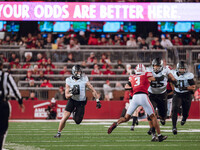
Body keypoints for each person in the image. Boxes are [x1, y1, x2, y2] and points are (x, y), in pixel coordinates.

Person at [107, 64, 168, 142]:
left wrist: (134, 87)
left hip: (134, 98)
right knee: (153, 116)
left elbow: (126, 87)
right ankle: (159, 136)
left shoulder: (132, 77)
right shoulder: (146, 74)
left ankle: (116, 123)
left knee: (126, 118)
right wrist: (162, 76)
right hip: (143, 96)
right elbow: (155, 79)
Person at [54, 65, 101, 138]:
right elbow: (66, 95)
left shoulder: (84, 79)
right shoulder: (69, 80)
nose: (79, 73)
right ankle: (58, 132)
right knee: (65, 116)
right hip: (72, 100)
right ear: (74, 72)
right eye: (77, 71)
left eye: (80, 71)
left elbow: (92, 89)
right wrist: (72, 93)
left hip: (81, 102)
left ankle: (74, 113)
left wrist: (97, 100)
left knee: (78, 121)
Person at [146, 58, 176, 139]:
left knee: (163, 115)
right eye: (154, 66)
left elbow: (172, 78)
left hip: (162, 95)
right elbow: (147, 78)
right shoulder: (148, 70)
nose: (156, 68)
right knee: (150, 114)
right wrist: (158, 78)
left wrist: (176, 82)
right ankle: (153, 134)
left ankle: (162, 118)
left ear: (161, 66)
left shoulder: (166, 70)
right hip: (152, 95)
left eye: (158, 66)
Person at [0, 58, 25, 150]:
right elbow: (14, 89)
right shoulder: (5, 76)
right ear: (2, 65)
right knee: (2, 130)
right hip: (2, 104)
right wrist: (20, 101)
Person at [171, 61, 195, 135]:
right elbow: (170, 81)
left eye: (183, 69)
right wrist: (174, 87)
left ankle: (184, 118)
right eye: (181, 69)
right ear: (178, 69)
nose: (182, 70)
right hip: (177, 94)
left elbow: (193, 87)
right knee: (175, 108)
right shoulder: (173, 74)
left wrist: (184, 88)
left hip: (187, 94)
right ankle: (174, 127)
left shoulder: (189, 75)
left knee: (185, 112)